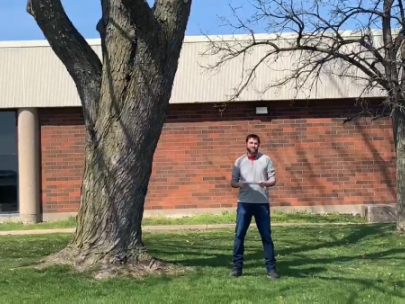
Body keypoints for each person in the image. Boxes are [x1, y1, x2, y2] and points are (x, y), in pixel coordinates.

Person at [230, 134, 279, 279]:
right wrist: (240, 184)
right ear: (246, 144)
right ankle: (237, 267)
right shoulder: (239, 161)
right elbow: (232, 182)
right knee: (239, 235)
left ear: (259, 145)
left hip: (261, 204)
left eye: (256, 143)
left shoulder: (266, 159)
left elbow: (273, 180)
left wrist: (266, 183)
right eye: (251, 143)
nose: (253, 145)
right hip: (244, 203)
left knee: (266, 236)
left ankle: (271, 269)